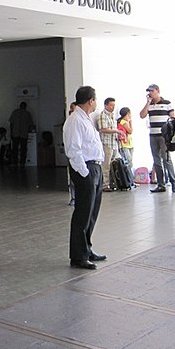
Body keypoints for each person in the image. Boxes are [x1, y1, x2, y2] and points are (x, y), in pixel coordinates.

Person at [63, 86, 106, 270]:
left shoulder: (86, 119)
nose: (95, 102)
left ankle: (87, 249)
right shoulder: (75, 121)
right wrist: (85, 173)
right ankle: (78, 256)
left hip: (94, 167)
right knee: (83, 212)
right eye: (95, 99)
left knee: (92, 212)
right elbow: (74, 150)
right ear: (90, 100)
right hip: (85, 169)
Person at [139, 84, 175, 193]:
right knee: (156, 160)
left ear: (157, 91)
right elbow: (142, 115)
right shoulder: (150, 105)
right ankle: (161, 184)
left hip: (163, 135)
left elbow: (172, 117)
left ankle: (173, 182)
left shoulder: (167, 103)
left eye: (152, 91)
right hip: (153, 135)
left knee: (166, 159)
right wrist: (148, 103)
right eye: (149, 91)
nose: (150, 93)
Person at [96, 97, 119, 191]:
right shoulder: (103, 115)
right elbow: (103, 129)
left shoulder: (112, 116)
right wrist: (116, 131)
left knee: (111, 164)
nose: (113, 107)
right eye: (111, 105)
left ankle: (111, 182)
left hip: (113, 143)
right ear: (106, 105)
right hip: (106, 143)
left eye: (114, 105)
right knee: (105, 165)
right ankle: (105, 185)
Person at [8, 101, 34, 166]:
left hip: (15, 133)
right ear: (25, 107)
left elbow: (11, 123)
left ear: (19, 106)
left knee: (15, 149)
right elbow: (31, 124)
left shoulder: (15, 112)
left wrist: (11, 133)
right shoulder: (27, 114)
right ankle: (22, 163)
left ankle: (15, 163)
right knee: (23, 149)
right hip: (24, 134)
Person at [117, 107, 135, 187]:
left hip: (129, 144)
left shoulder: (123, 121)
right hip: (124, 144)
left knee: (130, 161)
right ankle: (130, 179)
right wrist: (131, 122)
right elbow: (130, 131)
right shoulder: (124, 122)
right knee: (128, 162)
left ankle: (130, 179)